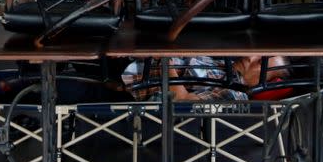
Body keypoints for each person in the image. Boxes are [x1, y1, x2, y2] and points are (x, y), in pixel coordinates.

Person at [121, 55, 290, 101]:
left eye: (261, 63)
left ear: (261, 82)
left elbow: (183, 102)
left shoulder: (234, 93)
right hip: (134, 57)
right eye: (261, 55)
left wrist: (164, 59)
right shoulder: (224, 64)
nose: (252, 58)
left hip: (129, 79)